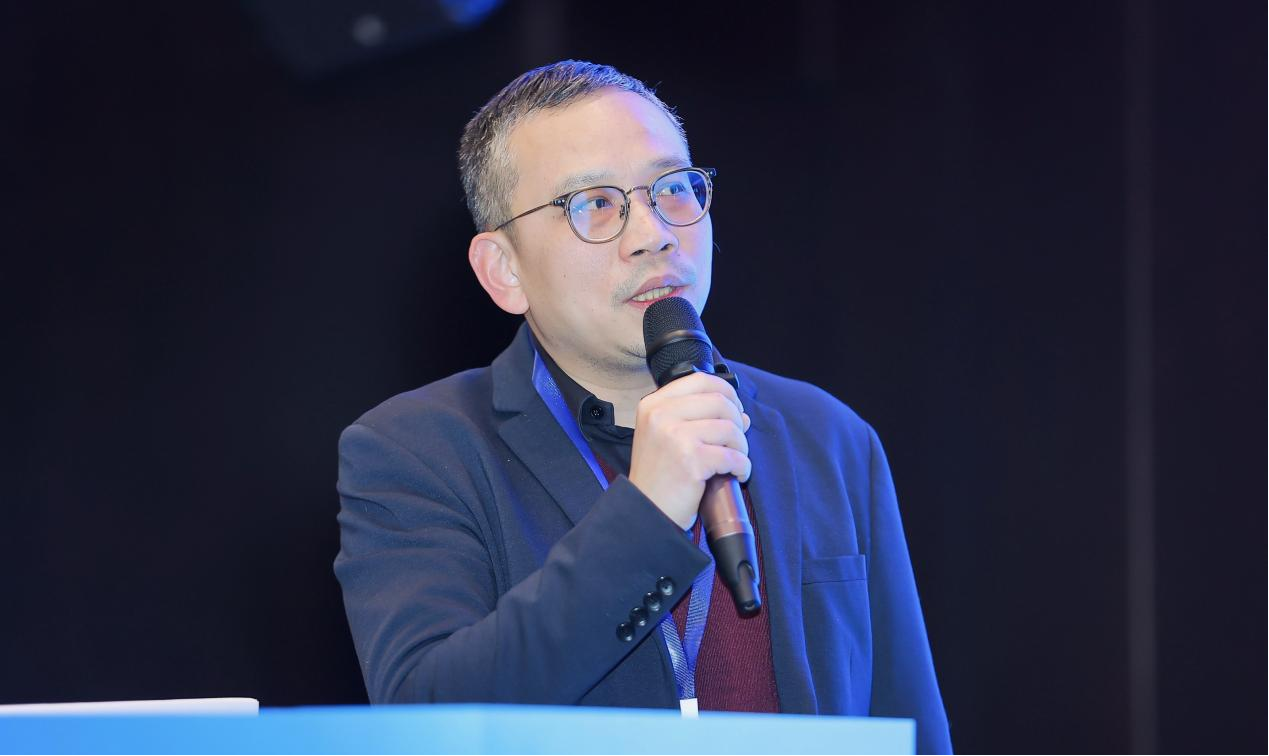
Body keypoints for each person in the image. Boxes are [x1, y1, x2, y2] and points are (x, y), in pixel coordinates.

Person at [334, 60, 952, 754]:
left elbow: (909, 725)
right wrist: (648, 516)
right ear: (504, 271)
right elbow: (429, 721)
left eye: (672, 188)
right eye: (595, 203)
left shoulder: (826, 435)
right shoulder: (417, 450)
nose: (654, 233)